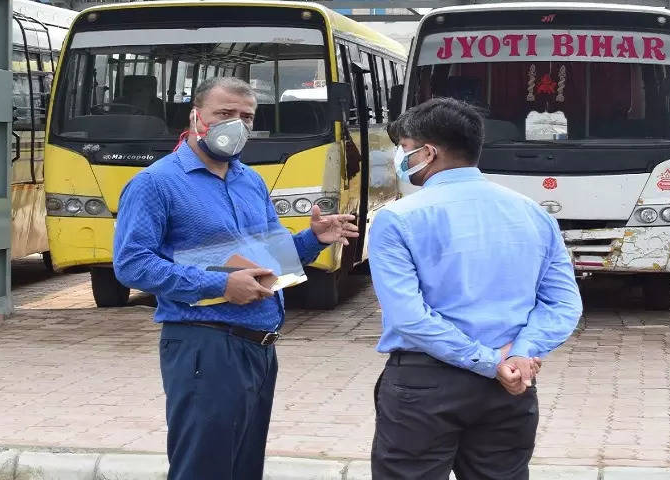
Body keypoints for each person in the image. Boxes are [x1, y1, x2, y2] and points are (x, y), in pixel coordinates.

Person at [113, 76, 359, 480]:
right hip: (205, 345)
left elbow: (268, 260)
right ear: (196, 117)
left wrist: (311, 240)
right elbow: (133, 264)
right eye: (224, 114)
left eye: (247, 116)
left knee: (244, 467)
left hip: (259, 348)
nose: (237, 125)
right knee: (204, 468)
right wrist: (220, 284)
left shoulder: (250, 180)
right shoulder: (155, 184)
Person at [369, 97, 583, 480]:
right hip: (510, 386)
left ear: (428, 152)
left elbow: (408, 316)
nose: (401, 158)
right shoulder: (533, 213)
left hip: (426, 385)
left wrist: (489, 362)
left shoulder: (397, 220)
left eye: (404, 149)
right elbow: (563, 304)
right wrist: (519, 354)